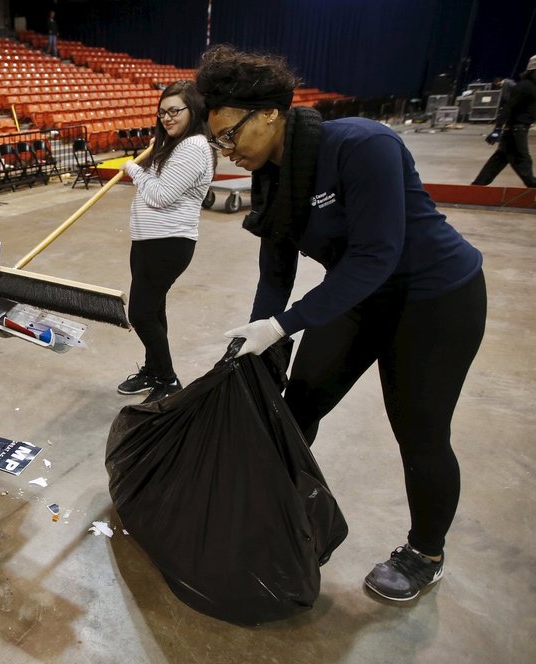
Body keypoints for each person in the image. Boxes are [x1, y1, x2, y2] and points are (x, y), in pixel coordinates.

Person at [195, 45, 487, 601]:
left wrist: (286, 327)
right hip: (358, 299)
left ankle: (426, 552)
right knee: (295, 406)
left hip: (433, 300)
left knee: (420, 433)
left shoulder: (361, 144)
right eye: (218, 141)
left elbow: (376, 256)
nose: (226, 149)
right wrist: (258, 333)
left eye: (231, 134)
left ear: (271, 114)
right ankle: (272, 514)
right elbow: (276, 268)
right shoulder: (273, 172)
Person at [116, 80, 215, 403]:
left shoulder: (193, 147)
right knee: (154, 310)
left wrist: (134, 168)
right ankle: (152, 369)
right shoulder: (174, 146)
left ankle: (168, 380)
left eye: (175, 111)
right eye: (162, 113)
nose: (167, 118)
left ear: (193, 110)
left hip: (168, 243)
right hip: (149, 241)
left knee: (141, 314)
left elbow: (160, 196)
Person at [471, 55, 536, 188]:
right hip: (516, 129)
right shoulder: (525, 86)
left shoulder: (532, 87)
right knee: (522, 159)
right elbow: (508, 107)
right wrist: (498, 128)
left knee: (499, 160)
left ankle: (477, 186)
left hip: (519, 129)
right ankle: (532, 185)